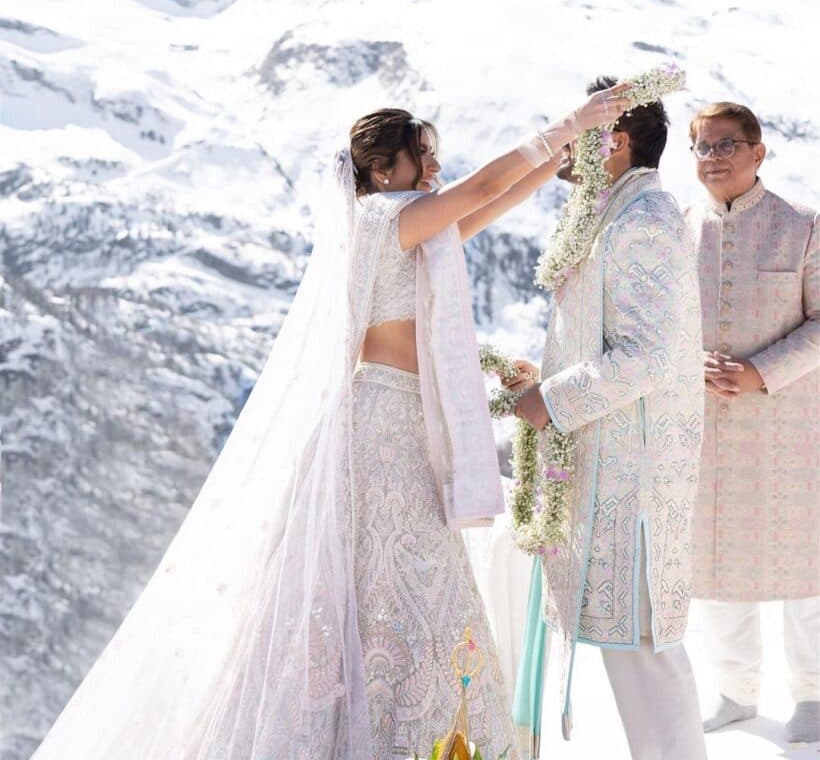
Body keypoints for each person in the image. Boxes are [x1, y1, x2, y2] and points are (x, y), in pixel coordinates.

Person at [30, 89, 627, 760]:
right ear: (382, 170)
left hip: (400, 417)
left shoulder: (410, 226)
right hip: (382, 423)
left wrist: (564, 158)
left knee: (402, 578)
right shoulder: (382, 218)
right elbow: (482, 188)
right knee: (397, 577)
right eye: (421, 154)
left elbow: (489, 204)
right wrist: (568, 124)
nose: (434, 165)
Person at [511, 76, 707, 760]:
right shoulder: (615, 214)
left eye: (579, 131)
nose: (565, 144)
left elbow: (647, 357)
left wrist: (553, 400)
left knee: (646, 650)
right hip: (608, 465)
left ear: (615, 142)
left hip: (634, 480)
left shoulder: (644, 221)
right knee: (636, 652)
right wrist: (543, 379)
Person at [684, 101, 820, 744]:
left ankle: (813, 693)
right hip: (705, 428)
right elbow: (659, 328)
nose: (714, 158)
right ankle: (736, 692)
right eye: (703, 147)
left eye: (727, 145)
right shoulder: (679, 231)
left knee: (805, 565)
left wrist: (758, 372)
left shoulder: (804, 225)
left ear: (758, 152)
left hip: (790, 427)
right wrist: (691, 363)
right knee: (716, 562)